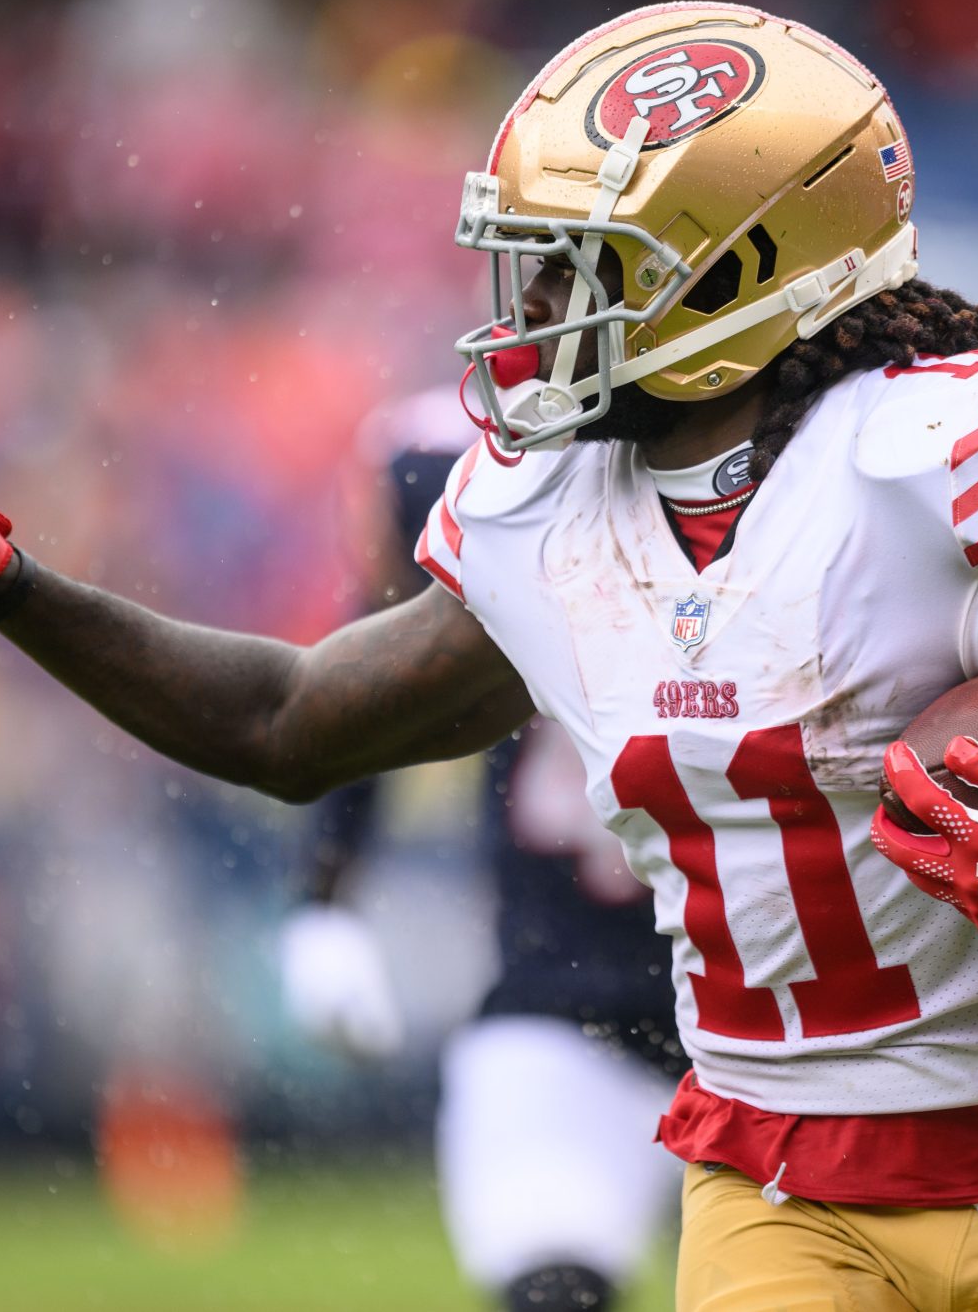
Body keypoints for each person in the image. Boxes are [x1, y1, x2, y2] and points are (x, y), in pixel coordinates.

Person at [0, 3, 978, 1310]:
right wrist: (6, 582)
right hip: (774, 1178)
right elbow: (289, 719)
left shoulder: (941, 459)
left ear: (740, 273)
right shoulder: (541, 511)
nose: (535, 311)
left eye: (584, 266)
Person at [280, 385, 684, 1311]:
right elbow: (366, 683)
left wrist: (324, 897)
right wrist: (324, 896)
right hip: (582, 992)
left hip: (769, 1009)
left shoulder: (457, 464)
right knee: (551, 1286)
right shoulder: (465, 464)